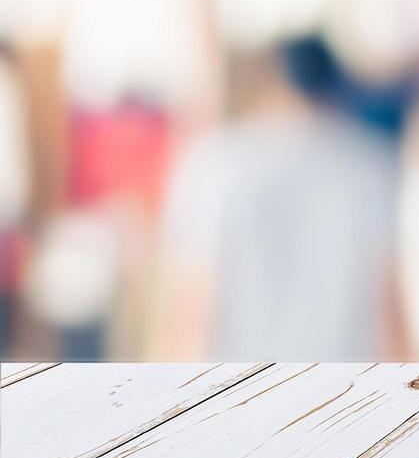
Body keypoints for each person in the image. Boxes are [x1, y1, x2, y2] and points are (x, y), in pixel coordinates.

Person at [157, 36, 401, 359]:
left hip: (238, 381)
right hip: (343, 384)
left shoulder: (215, 163)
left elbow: (193, 303)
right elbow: (388, 305)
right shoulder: (370, 164)